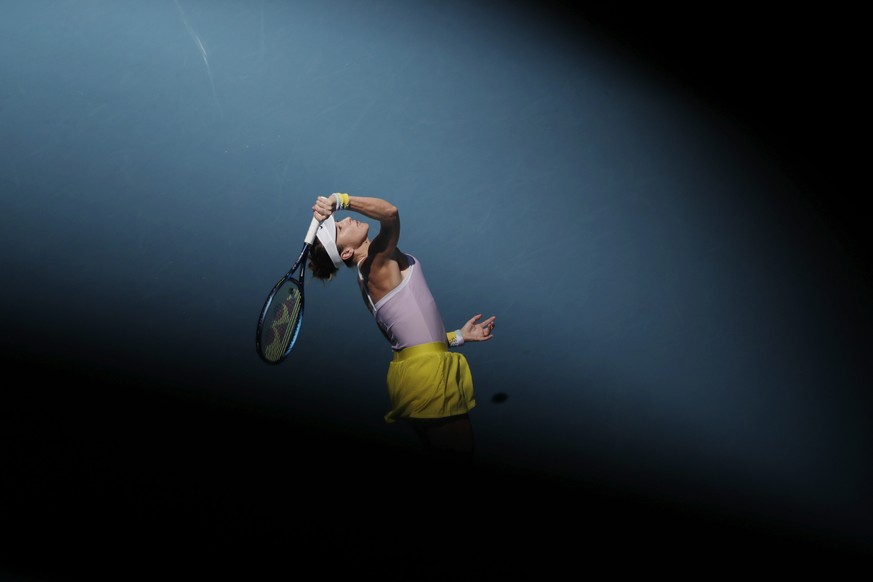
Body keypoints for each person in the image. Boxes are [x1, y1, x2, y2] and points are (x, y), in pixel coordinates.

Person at [308, 192, 495, 457]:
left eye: (340, 220)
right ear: (347, 251)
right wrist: (340, 200)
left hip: (418, 371)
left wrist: (457, 337)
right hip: (426, 376)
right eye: (340, 227)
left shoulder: (367, 278)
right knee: (460, 455)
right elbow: (390, 213)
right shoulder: (376, 264)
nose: (348, 219)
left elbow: (407, 338)